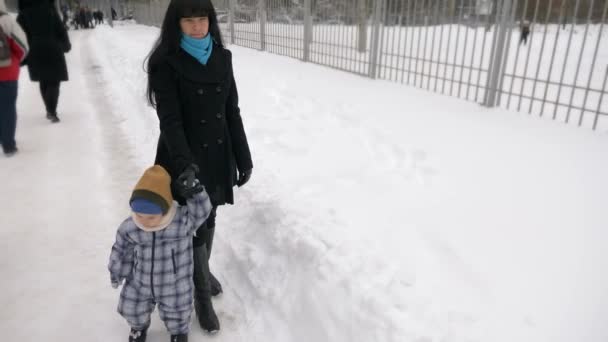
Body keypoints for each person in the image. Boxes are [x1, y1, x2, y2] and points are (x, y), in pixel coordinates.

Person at [146, 0, 253, 333]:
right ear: (176, 24)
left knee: (210, 215)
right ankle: (201, 296)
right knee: (190, 222)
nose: (197, 26)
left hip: (218, 153)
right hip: (184, 155)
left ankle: (201, 270)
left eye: (202, 19)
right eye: (189, 20)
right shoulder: (166, 62)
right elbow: (171, 121)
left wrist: (243, 155)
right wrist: (184, 165)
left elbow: (231, 111)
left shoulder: (223, 58)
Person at [109, 165, 213, 342]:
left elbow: (202, 211)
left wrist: (194, 191)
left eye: (151, 217)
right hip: (140, 281)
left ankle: (178, 332)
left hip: (174, 283)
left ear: (165, 209)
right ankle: (138, 328)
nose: (144, 222)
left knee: (178, 310)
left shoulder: (181, 221)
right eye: (139, 215)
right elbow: (121, 250)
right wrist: (117, 272)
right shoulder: (131, 226)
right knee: (132, 307)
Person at [17, 0, 70, 123]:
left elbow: (20, 33)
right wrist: (65, 44)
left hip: (34, 50)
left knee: (44, 80)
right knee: (54, 80)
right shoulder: (50, 9)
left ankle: (49, 109)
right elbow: (60, 29)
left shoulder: (24, 13)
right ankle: (51, 110)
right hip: (53, 48)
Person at [0, 0, 29, 156]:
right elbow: (22, 46)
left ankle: (2, 137)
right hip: (7, 73)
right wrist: (17, 61)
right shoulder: (7, 21)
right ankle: (8, 145)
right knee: (7, 108)